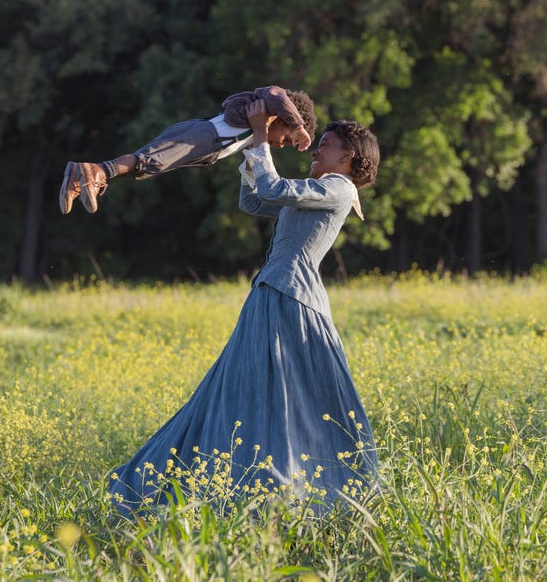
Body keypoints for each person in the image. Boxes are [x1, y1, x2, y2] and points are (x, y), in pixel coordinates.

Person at [107, 101, 380, 515]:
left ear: (348, 157)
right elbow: (254, 202)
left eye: (324, 145)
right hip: (273, 294)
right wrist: (258, 140)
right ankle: (240, 481)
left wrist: (257, 137)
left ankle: (300, 486)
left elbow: (271, 189)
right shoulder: (317, 191)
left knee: (284, 393)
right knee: (249, 388)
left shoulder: (340, 188)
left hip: (291, 298)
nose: (313, 151)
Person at [59, 86, 317, 214]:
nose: (278, 144)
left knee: (144, 168)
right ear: (282, 119)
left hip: (205, 143)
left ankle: (77, 176)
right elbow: (275, 92)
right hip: (203, 137)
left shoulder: (256, 126)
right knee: (150, 161)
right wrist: (299, 126)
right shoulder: (264, 108)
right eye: (284, 139)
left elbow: (255, 165)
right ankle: (95, 172)